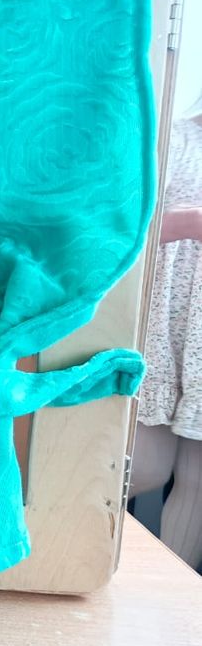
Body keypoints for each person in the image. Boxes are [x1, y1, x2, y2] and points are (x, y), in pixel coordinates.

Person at [130, 105, 202, 569]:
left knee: (197, 484)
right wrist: (191, 222)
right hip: (163, 334)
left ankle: (175, 604)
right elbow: (122, 229)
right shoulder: (173, 139)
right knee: (143, 467)